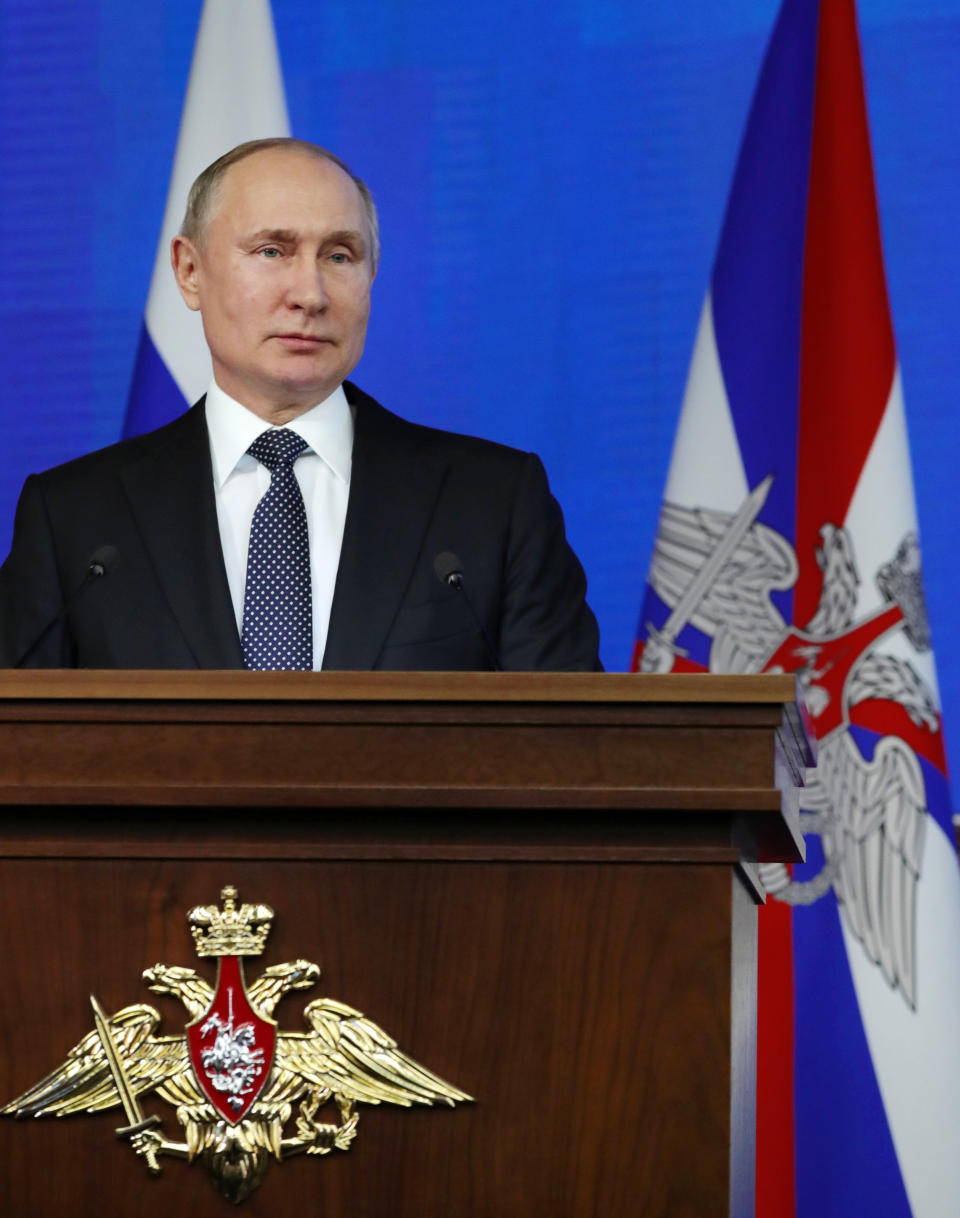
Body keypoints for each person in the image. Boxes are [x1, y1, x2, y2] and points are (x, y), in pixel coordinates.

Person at [0, 138, 600, 671]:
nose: (310, 294)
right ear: (189, 271)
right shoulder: (76, 523)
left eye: (340, 256)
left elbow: (570, 757)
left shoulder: (494, 505)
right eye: (272, 251)